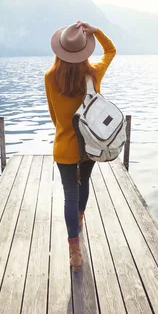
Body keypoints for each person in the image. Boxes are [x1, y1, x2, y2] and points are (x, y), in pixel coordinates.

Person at [44, 21, 116, 270]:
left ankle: (74, 252)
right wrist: (96, 31)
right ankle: (81, 218)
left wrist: (65, 130)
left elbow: (54, 116)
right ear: (85, 50)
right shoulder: (93, 73)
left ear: (60, 50)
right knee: (83, 183)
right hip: (90, 145)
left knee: (69, 195)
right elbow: (111, 51)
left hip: (64, 146)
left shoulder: (50, 77)